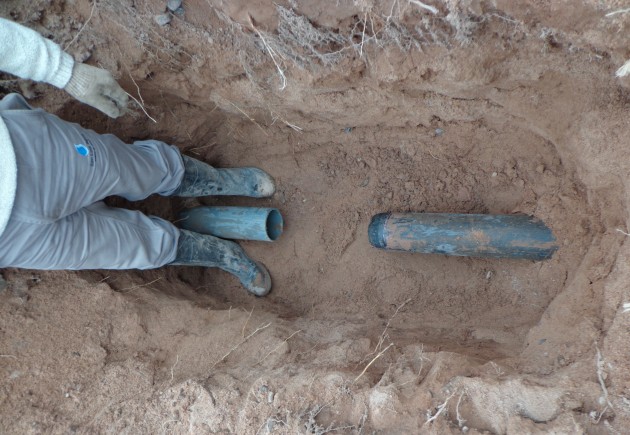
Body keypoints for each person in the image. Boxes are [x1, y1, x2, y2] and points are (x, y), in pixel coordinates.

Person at [0, 17, 273, 296]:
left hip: (21, 154)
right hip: (13, 243)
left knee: (137, 169)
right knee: (133, 248)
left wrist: (63, 72)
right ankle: (223, 253)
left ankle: (219, 181)